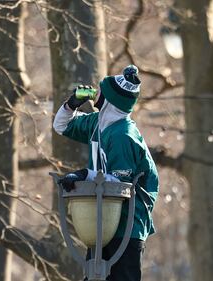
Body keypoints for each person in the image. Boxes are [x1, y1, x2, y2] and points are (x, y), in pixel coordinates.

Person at [53, 65, 159, 281]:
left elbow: (119, 183)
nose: (96, 93)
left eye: (102, 90)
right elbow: (61, 126)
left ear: (110, 99)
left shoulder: (123, 135)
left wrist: (83, 175)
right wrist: (71, 104)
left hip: (128, 226)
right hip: (103, 221)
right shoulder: (98, 122)